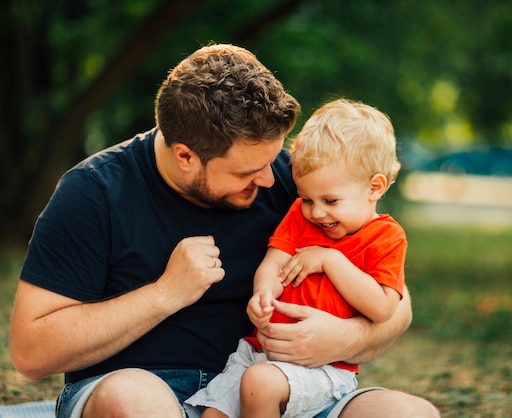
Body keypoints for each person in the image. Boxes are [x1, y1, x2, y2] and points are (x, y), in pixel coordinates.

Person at [9, 43, 440, 418]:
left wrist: (341, 338)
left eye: (273, 161)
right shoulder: (95, 192)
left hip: (274, 388)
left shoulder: (302, 189)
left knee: (411, 413)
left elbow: (398, 307)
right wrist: (165, 294)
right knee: (132, 402)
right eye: (249, 172)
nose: (272, 180)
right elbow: (30, 352)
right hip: (142, 386)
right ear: (186, 156)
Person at [185, 99, 407, 418]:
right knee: (214, 414)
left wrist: (330, 260)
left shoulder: (385, 237)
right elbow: (273, 264)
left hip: (323, 366)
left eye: (330, 200)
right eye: (306, 199)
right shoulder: (300, 217)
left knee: (260, 385)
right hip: (259, 351)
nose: (317, 212)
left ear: (374, 187)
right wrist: (263, 294)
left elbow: (383, 308)